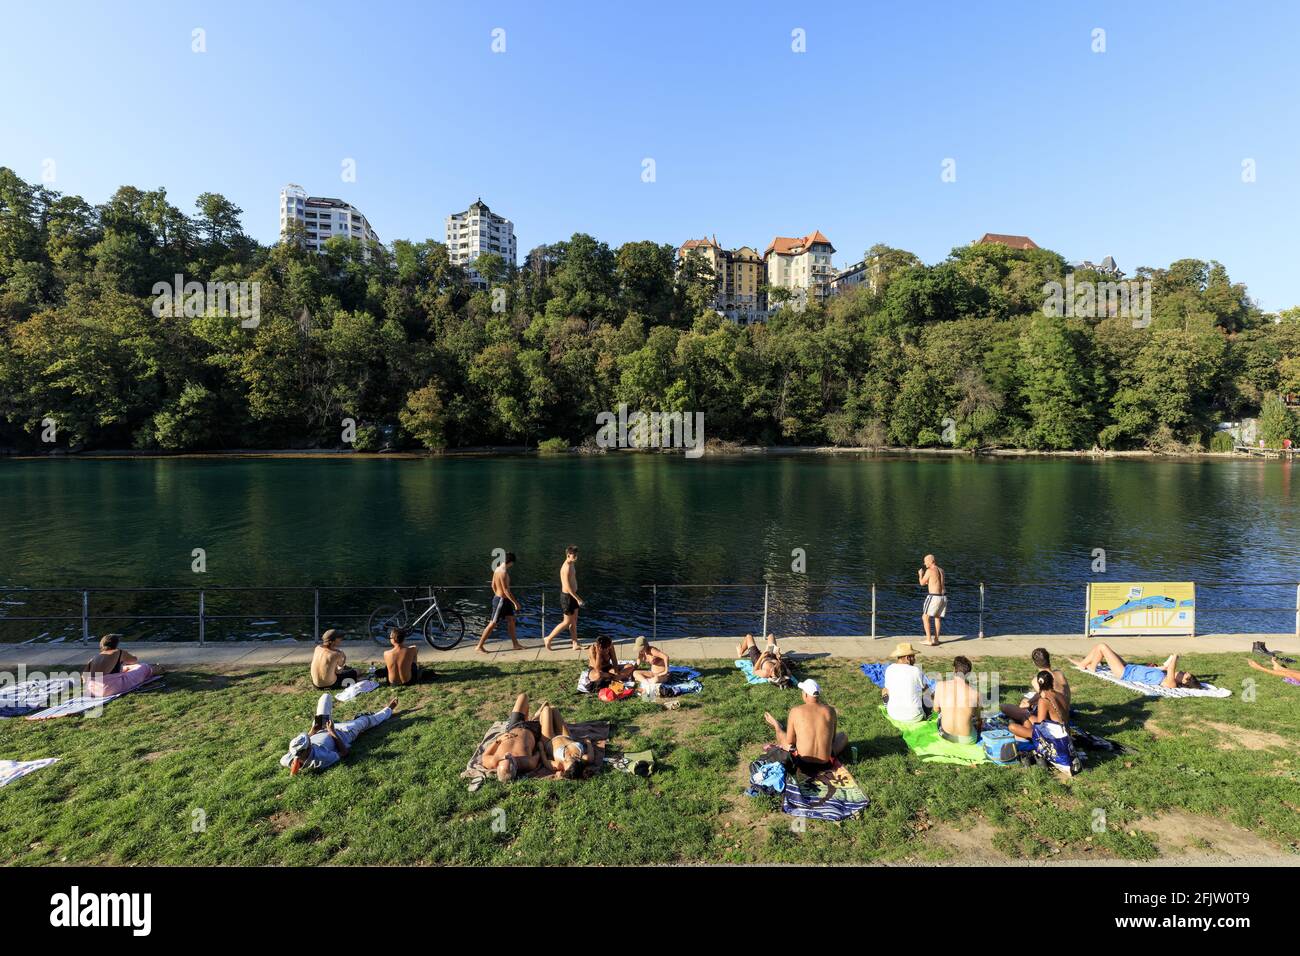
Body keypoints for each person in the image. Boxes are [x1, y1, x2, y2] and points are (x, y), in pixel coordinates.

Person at [281, 693, 399, 774]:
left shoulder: (288, 758)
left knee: (325, 697)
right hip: (343, 732)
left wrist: (313, 730)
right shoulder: (321, 759)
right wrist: (332, 731)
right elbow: (344, 753)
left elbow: (294, 760)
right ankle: (388, 710)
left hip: (321, 728)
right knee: (365, 721)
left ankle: (358, 716)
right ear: (307, 750)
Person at [763, 679, 848, 777]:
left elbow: (790, 741)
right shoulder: (830, 711)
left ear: (806, 695)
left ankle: (776, 725)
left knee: (782, 736)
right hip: (826, 763)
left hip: (802, 763)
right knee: (843, 736)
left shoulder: (795, 711)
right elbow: (832, 739)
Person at [480, 692, 551, 782]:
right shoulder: (527, 763)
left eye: (503, 758)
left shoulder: (493, 762)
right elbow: (538, 754)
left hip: (515, 726)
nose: (507, 754)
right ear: (516, 766)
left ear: (497, 766)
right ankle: (537, 717)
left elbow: (485, 755)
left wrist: (498, 740)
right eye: (510, 759)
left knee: (523, 696)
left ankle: (532, 718)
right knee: (548, 709)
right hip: (533, 730)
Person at [1070, 642, 1202, 690]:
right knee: (1101, 649)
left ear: (1184, 681)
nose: (1182, 671)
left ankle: (1085, 665)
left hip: (1124, 673)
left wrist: (1175, 657)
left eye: (1185, 674)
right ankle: (1089, 665)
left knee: (1102, 646)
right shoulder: (1165, 675)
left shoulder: (1170, 683)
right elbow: (1167, 667)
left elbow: (1171, 667)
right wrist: (1165, 665)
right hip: (1128, 667)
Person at [1001, 647, 1071, 722]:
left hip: (1052, 717)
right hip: (1066, 711)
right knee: (1025, 700)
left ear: (1034, 663)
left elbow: (1046, 697)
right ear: (1048, 659)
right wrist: (1030, 702)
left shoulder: (1037, 681)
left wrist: (1029, 704)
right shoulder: (1060, 674)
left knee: (1004, 707)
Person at [477, 552, 523, 653]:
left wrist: (497, 594)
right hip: (501, 601)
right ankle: (479, 646)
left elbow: (493, 585)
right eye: (512, 563)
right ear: (510, 562)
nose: (512, 565)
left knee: (511, 621)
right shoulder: (503, 572)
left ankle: (515, 644)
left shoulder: (497, 569)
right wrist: (515, 603)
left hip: (503, 600)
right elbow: (506, 590)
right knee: (492, 624)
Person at [933, 655, 982, 744]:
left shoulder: (940, 685)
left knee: (941, 715)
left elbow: (936, 709)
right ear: (969, 673)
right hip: (967, 740)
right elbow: (978, 718)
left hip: (945, 735)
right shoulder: (976, 693)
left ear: (954, 670)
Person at [543, 546, 584, 651]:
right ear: (568, 555)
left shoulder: (572, 564)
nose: (576, 557)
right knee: (566, 622)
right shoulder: (566, 568)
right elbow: (567, 587)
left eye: (576, 555)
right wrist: (578, 599)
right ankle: (548, 638)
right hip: (568, 597)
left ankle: (575, 643)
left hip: (573, 596)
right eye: (574, 556)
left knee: (574, 621)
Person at [1008, 670, 1068, 740]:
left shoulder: (1043, 700)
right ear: (1052, 681)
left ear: (1039, 684)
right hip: (1065, 730)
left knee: (1012, 727)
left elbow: (1040, 725)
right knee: (1028, 717)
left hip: (1055, 736)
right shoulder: (1061, 694)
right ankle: (1025, 722)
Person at [882, 642, 931, 722]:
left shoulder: (889, 669)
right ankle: (929, 715)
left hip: (893, 714)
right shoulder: (916, 670)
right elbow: (925, 689)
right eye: (913, 657)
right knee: (927, 691)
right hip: (915, 716)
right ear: (908, 658)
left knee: (884, 690)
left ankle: (887, 705)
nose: (915, 660)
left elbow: (887, 690)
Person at [917, 554, 946, 646]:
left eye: (925, 561)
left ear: (930, 561)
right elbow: (935, 581)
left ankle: (929, 639)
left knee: (925, 617)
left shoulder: (929, 571)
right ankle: (936, 639)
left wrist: (920, 575)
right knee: (937, 617)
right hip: (943, 596)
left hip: (934, 597)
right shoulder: (941, 570)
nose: (924, 563)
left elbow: (922, 583)